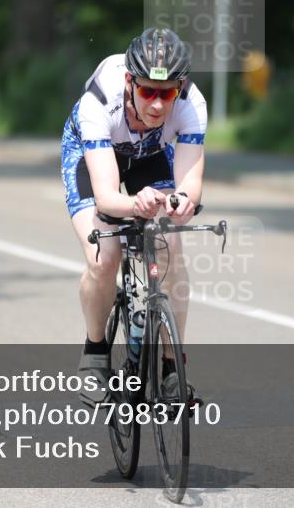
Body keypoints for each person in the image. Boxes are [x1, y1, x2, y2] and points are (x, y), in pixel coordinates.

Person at [62, 27, 206, 406]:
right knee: (104, 257)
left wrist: (182, 203)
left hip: (150, 154)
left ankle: (173, 369)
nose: (158, 105)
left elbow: (189, 189)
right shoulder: (99, 102)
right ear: (130, 82)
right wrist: (136, 205)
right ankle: (95, 355)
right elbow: (108, 198)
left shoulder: (192, 104)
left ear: (181, 86)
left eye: (167, 93)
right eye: (147, 92)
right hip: (94, 152)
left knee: (169, 244)